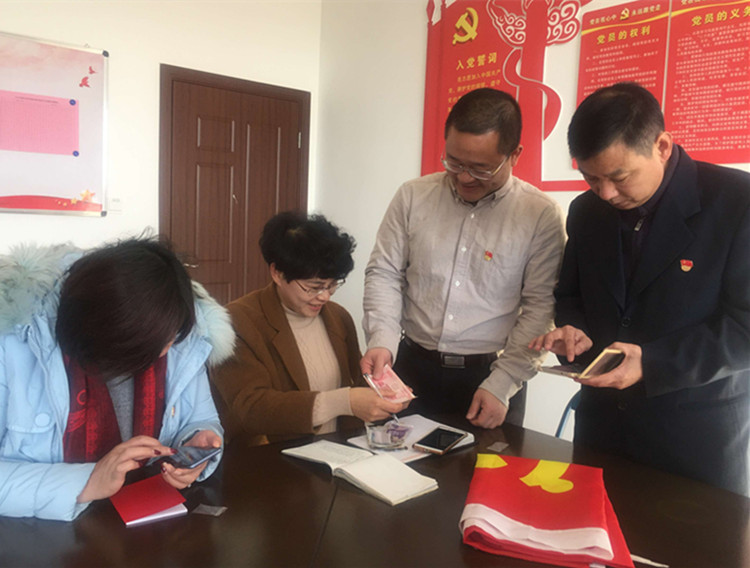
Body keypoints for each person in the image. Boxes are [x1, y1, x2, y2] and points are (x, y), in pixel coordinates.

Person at [529, 82, 750, 495]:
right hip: (601, 429)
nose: (606, 193)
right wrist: (574, 331)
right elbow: (571, 295)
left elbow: (745, 326)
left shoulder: (737, 202)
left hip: (693, 437)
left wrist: (653, 362)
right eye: (591, 178)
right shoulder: (585, 211)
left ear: (662, 146)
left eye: (619, 177)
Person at [362, 88, 565, 429]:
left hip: (491, 378)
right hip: (411, 367)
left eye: (481, 168)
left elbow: (541, 308)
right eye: (454, 162)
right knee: (395, 461)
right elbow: (384, 272)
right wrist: (381, 339)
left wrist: (504, 382)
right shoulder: (413, 196)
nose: (465, 177)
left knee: (486, 464)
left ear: (514, 155)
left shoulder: (539, 215)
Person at [0, 238, 234, 520]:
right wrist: (87, 481)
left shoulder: (175, 330)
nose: (168, 351)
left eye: (173, 338)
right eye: (154, 346)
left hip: (151, 520)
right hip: (39, 535)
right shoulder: (13, 346)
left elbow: (200, 418)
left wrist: (197, 444)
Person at [210, 211, 406, 446]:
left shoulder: (338, 318)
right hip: (273, 457)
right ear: (277, 273)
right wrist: (345, 401)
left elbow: (353, 387)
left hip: (339, 451)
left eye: (332, 285)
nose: (324, 296)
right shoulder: (236, 322)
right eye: (314, 287)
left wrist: (383, 390)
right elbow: (252, 408)